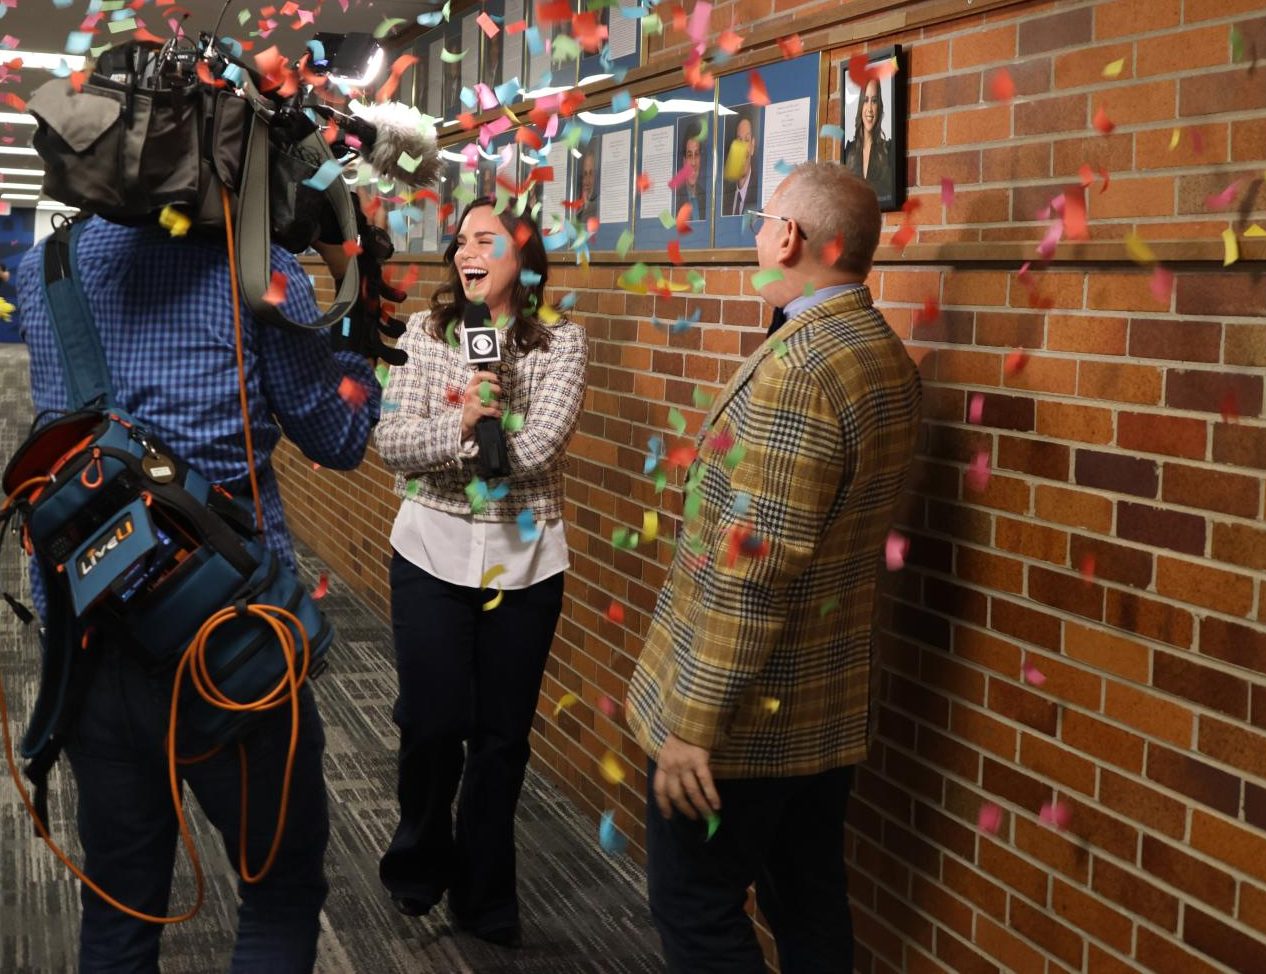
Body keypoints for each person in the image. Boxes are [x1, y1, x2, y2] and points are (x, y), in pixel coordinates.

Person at [16, 215, 381, 972]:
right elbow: (340, 437)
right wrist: (356, 305)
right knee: (278, 892)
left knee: (120, 904)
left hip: (89, 641)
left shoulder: (46, 266)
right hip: (233, 646)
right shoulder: (260, 269)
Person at [626, 161, 922, 973]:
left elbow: (752, 571)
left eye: (763, 221)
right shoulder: (881, 352)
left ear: (789, 237)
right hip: (825, 707)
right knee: (810, 902)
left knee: (695, 908)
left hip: (746, 722)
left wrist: (693, 726)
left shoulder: (801, 369)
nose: (758, 234)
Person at [375, 197, 587, 947]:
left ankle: (485, 894)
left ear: (522, 258)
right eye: (461, 240)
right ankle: (418, 859)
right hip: (429, 552)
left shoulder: (561, 342)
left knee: (500, 741)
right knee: (431, 724)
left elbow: (533, 452)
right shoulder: (424, 333)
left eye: (485, 239)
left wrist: (459, 438)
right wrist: (462, 426)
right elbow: (391, 442)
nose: (466, 251)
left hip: (524, 563)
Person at [843, 75, 893, 195]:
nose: (870, 108)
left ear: (879, 107)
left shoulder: (888, 150)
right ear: (861, 105)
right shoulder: (848, 151)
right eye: (865, 100)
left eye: (874, 101)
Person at [722, 110, 758, 218]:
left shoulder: (759, 192)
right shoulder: (724, 195)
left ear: (752, 146)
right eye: (739, 140)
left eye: (747, 140)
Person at [675, 117, 708, 218]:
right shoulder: (675, 199)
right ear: (684, 161)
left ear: (700, 159)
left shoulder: (706, 197)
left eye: (696, 154)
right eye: (689, 155)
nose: (693, 162)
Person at [574, 141, 598, 223]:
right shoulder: (578, 207)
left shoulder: (597, 208)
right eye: (585, 174)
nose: (587, 180)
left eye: (591, 173)